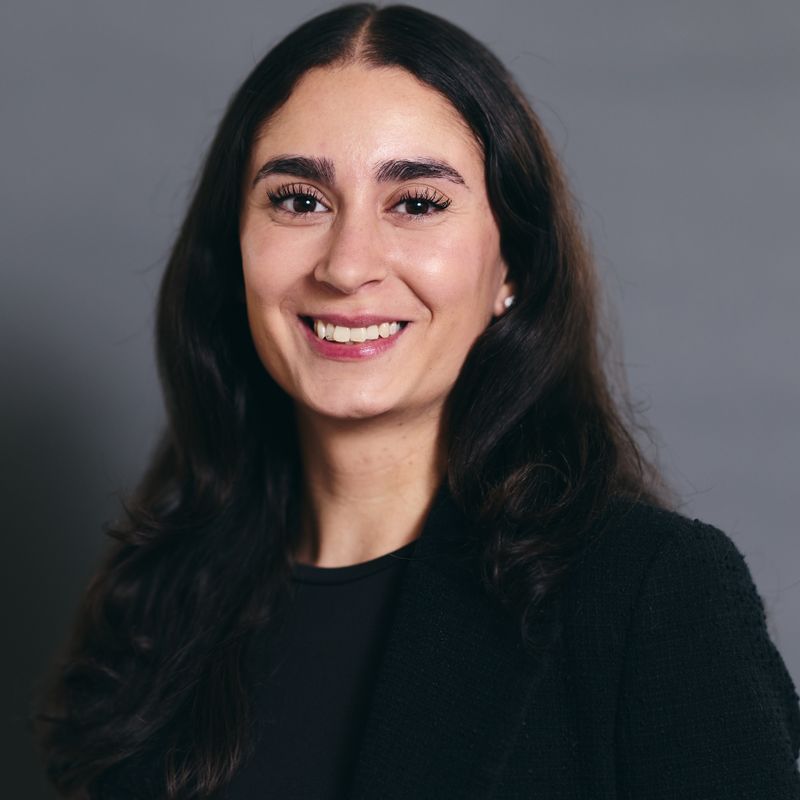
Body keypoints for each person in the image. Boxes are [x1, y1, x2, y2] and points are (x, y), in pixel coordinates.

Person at [36, 4, 800, 799]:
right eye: (299, 200)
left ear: (512, 267)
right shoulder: (151, 608)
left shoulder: (649, 593)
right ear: (234, 250)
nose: (347, 266)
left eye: (418, 203)